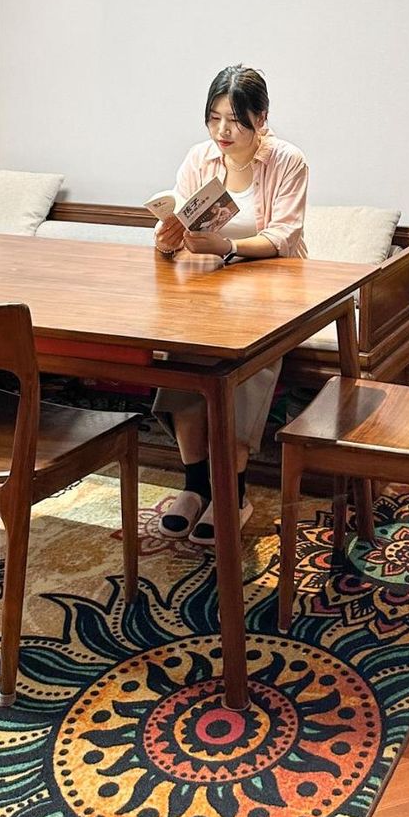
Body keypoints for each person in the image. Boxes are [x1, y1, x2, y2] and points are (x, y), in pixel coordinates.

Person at [153, 64, 308, 545]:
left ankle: (234, 495)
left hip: (273, 288)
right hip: (208, 287)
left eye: (236, 121)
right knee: (181, 357)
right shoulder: (199, 158)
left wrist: (228, 246)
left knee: (242, 365)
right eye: (214, 118)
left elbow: (284, 236)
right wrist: (167, 238)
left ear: (261, 118)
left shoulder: (287, 161)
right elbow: (182, 227)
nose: (223, 131)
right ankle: (195, 486)